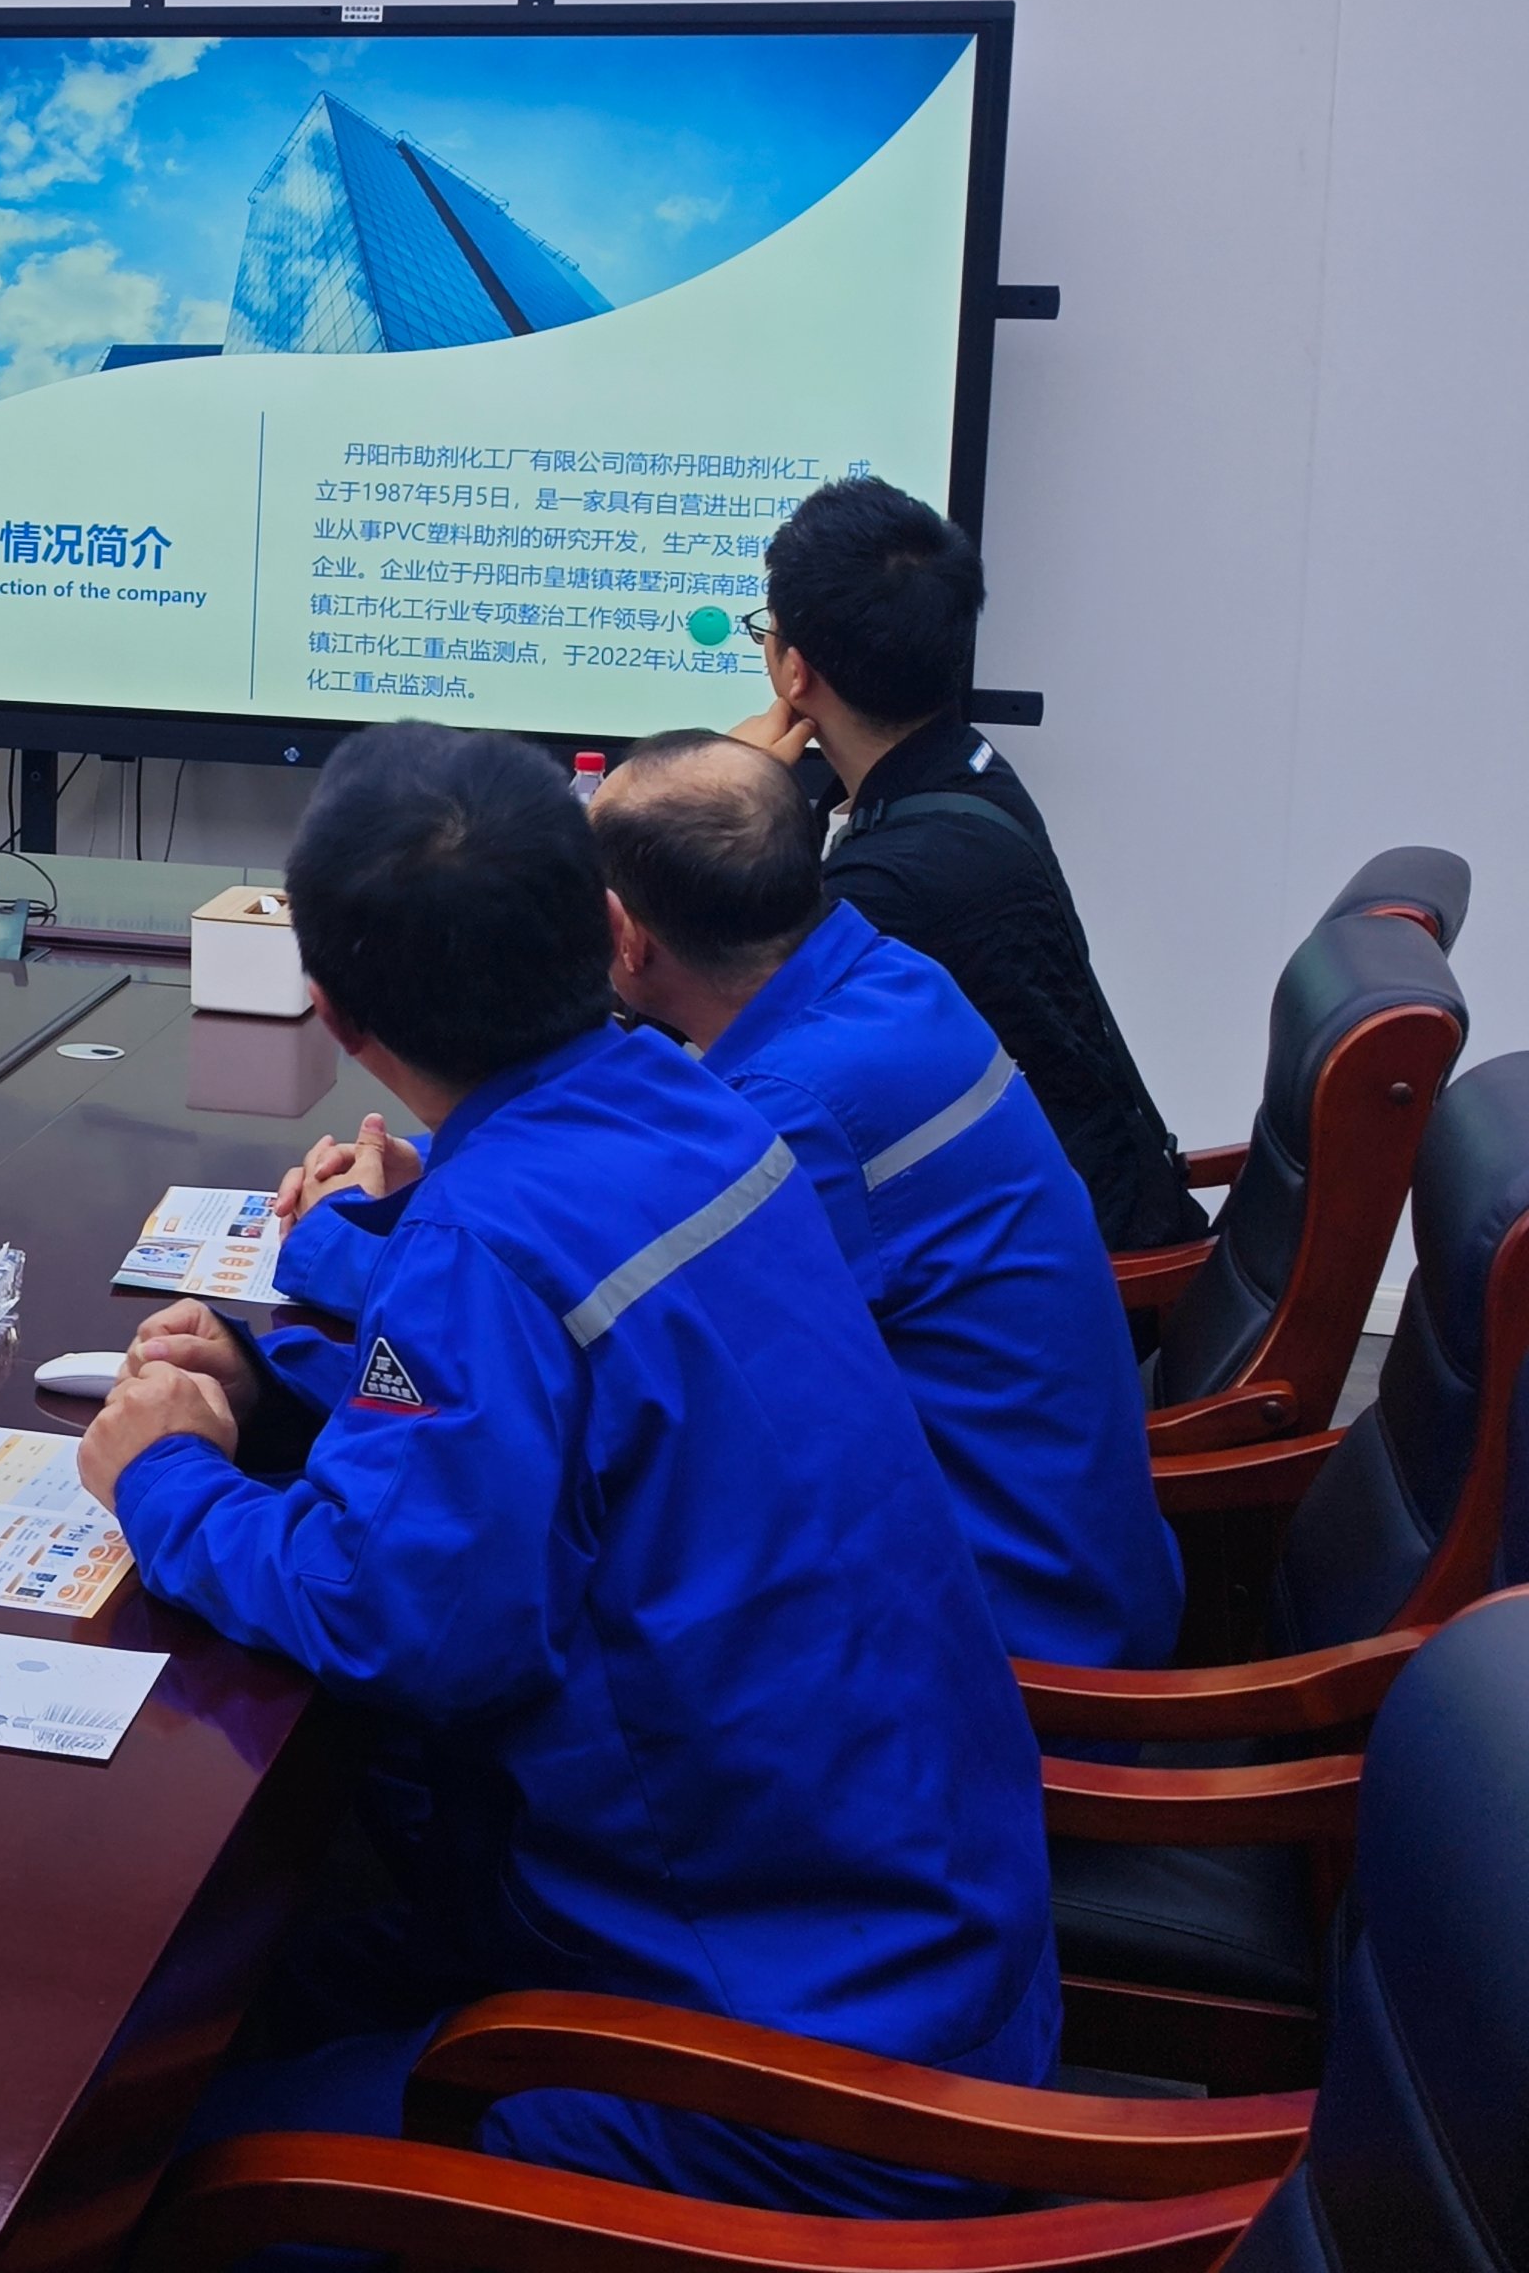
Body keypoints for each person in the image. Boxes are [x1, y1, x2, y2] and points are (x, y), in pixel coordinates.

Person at [83, 722, 1055, 2219]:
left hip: (789, 2076)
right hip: (918, 1937)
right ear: (609, 933)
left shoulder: (483, 1248)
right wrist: (279, 1400)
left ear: (333, 1014)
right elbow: (546, 1418)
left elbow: (398, 1622)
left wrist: (166, 1481)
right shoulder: (697, 1103)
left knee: (166, 2180)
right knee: (262, 1983)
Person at [591, 731, 1181, 1670]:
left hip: (1000, 1653)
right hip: (1072, 1566)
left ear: (624, 934)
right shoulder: (885, 977)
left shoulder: (796, 1113)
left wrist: (363, 1233)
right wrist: (447, 1159)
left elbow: (598, 1325)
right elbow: (661, 1150)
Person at [737, 477, 1202, 1258]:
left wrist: (722, 792)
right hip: (1071, 1206)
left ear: (796, 674)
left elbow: (740, 1062)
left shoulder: (889, 885)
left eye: (766, 631)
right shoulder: (962, 769)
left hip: (1043, 1265)